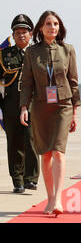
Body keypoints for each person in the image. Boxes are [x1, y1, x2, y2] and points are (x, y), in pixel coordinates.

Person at [19, 10, 80, 215]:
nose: (52, 27)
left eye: (55, 24)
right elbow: (26, 83)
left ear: (59, 28)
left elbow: (73, 82)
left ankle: (59, 200)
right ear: (40, 28)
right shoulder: (31, 52)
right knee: (46, 155)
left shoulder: (68, 50)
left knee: (59, 152)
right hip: (41, 107)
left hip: (63, 106)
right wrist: (24, 107)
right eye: (48, 24)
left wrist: (75, 112)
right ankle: (50, 197)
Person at [0, 14, 39, 194]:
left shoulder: (38, 53)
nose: (21, 35)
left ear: (30, 34)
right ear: (13, 35)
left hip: (33, 105)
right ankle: (18, 180)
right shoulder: (4, 55)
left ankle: (31, 178)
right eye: (17, 32)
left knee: (30, 140)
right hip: (10, 105)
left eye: (24, 32)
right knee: (14, 142)